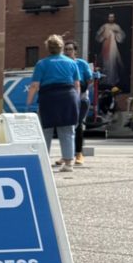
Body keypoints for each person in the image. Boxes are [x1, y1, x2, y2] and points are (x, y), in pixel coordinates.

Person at [27, 34, 80, 173]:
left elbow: (34, 85)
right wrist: (77, 100)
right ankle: (68, 163)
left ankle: (44, 163)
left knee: (46, 131)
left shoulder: (42, 64)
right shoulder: (71, 63)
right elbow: (77, 84)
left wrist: (29, 103)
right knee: (67, 131)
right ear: (61, 47)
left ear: (48, 48)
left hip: (48, 98)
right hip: (68, 97)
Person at [64, 40, 93, 166]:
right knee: (65, 126)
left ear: (75, 51)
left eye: (70, 49)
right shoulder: (62, 63)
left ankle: (79, 153)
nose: (68, 51)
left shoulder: (81, 63)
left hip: (81, 98)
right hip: (66, 98)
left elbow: (90, 79)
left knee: (78, 124)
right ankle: (66, 155)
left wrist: (83, 88)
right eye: (66, 49)